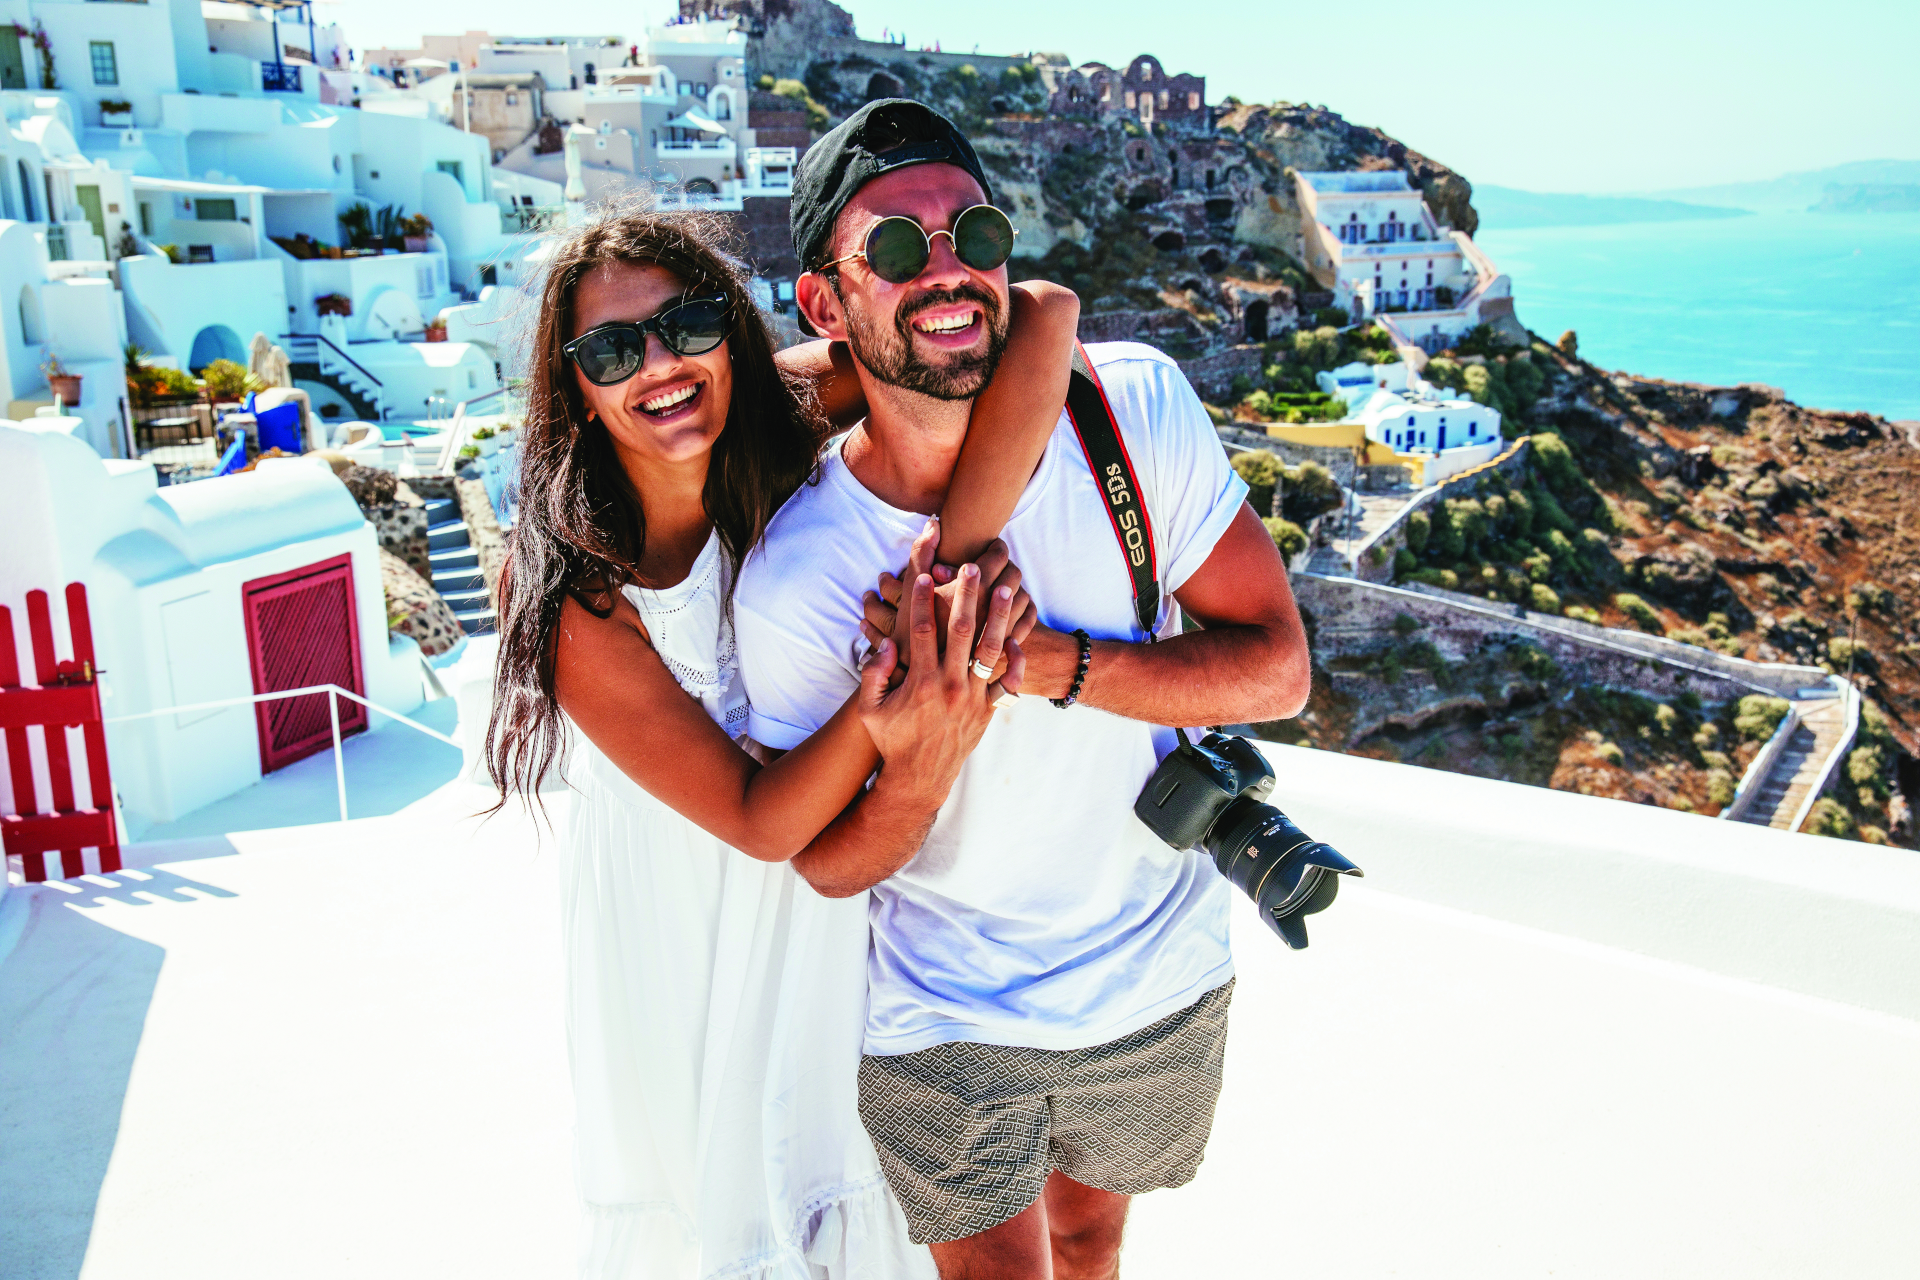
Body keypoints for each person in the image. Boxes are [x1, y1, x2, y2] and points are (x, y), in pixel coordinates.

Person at [733, 100, 1313, 1279]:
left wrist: (1047, 661)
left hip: (1154, 961)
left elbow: (1277, 666)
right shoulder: (800, 578)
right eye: (899, 247)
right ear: (826, 305)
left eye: (976, 234)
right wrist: (929, 746)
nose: (948, 270)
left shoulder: (1131, 412)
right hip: (945, 1003)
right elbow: (826, 859)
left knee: (1093, 1241)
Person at [483, 205, 1080, 1277]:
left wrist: (949, 566)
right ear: (575, 386)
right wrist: (897, 675)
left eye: (688, 325)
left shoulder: (771, 412)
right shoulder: (581, 590)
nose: (659, 366)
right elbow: (759, 822)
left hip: (823, 906)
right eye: (612, 351)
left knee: (847, 1181)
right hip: (684, 921)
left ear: (731, 330)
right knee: (724, 1201)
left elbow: (1040, 317)